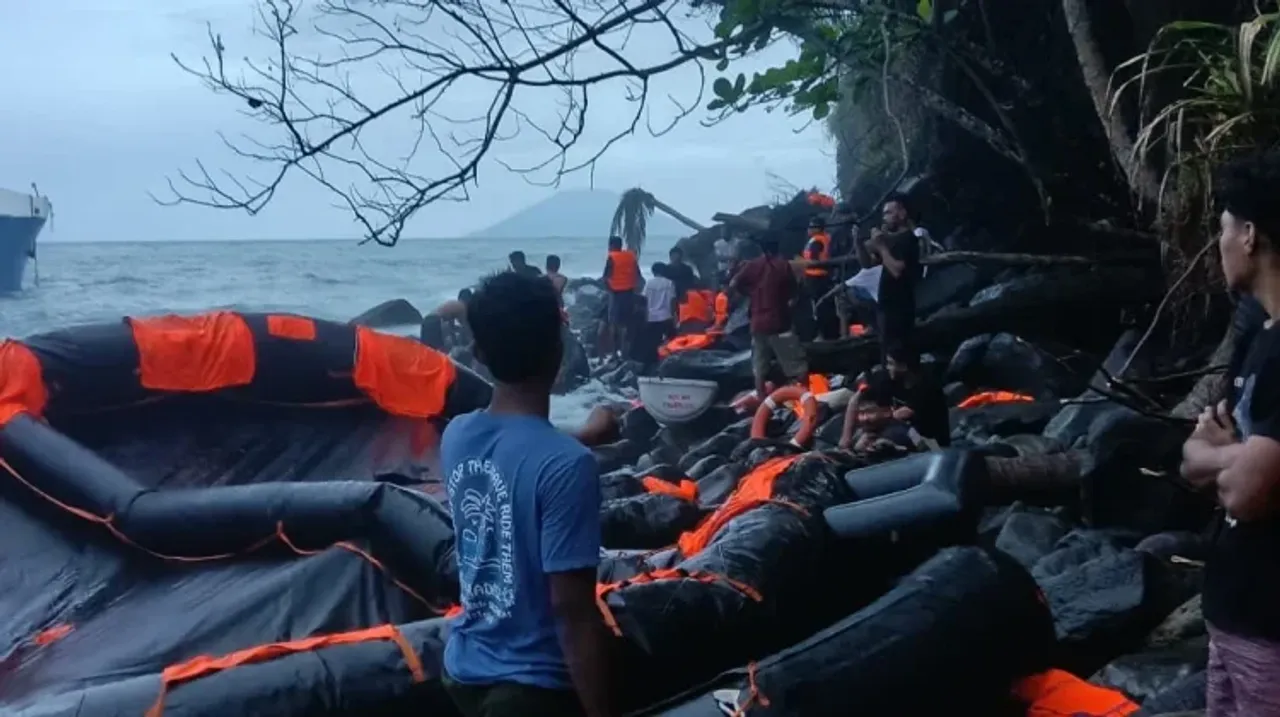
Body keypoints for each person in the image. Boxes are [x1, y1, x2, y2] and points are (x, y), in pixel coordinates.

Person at [441, 271, 617, 717]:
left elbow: (519, 450)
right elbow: (572, 613)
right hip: (533, 690)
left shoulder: (457, 435)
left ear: (478, 354)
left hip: (462, 668)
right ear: (559, 350)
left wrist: (583, 435)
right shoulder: (566, 465)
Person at [1179, 150, 1280, 717]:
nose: (1216, 244)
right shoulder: (1257, 337)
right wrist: (1229, 458)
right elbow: (1190, 457)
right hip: (1233, 615)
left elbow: (1247, 489)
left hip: (1270, 627)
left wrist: (1226, 458)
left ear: (1248, 235)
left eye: (1220, 228)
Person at [730, 236, 807, 399]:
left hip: (758, 323)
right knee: (796, 366)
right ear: (777, 248)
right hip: (780, 323)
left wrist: (750, 293)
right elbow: (793, 293)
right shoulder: (782, 266)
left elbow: (733, 284)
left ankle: (761, 402)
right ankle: (805, 399)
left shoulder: (752, 265)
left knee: (759, 367)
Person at [838, 344, 949, 452]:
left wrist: (872, 431)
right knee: (861, 441)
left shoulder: (927, 387)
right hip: (898, 428)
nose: (887, 367)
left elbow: (901, 415)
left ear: (904, 366)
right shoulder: (888, 379)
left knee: (882, 442)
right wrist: (846, 438)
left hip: (929, 442)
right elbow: (856, 400)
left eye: (891, 364)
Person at [866, 195, 926, 357]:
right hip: (885, 305)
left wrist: (881, 247)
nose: (884, 218)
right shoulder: (889, 241)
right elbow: (870, 264)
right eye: (884, 214)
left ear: (901, 213)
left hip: (900, 307)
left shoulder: (908, 239)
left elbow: (897, 270)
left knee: (900, 354)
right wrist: (862, 244)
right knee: (887, 354)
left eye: (888, 213)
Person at [799, 216, 839, 341]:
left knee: (820, 307)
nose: (808, 230)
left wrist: (800, 263)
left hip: (817, 278)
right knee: (822, 306)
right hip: (818, 277)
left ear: (817, 228)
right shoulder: (821, 239)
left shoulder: (817, 241)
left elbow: (814, 260)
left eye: (811, 227)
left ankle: (825, 334)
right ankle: (826, 333)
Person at [601, 236, 641, 357]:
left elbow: (605, 277)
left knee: (613, 323)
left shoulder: (612, 257)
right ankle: (625, 352)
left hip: (616, 293)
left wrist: (609, 289)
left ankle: (614, 354)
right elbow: (638, 275)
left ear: (611, 245)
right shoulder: (631, 256)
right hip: (629, 293)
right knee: (625, 325)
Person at [640, 262, 677, 364]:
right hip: (666, 316)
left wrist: (645, 316)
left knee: (652, 343)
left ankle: (652, 362)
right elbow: (672, 300)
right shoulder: (669, 283)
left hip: (652, 317)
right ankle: (668, 361)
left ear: (653, 271)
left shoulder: (649, 283)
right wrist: (674, 315)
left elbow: (644, 300)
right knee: (671, 341)